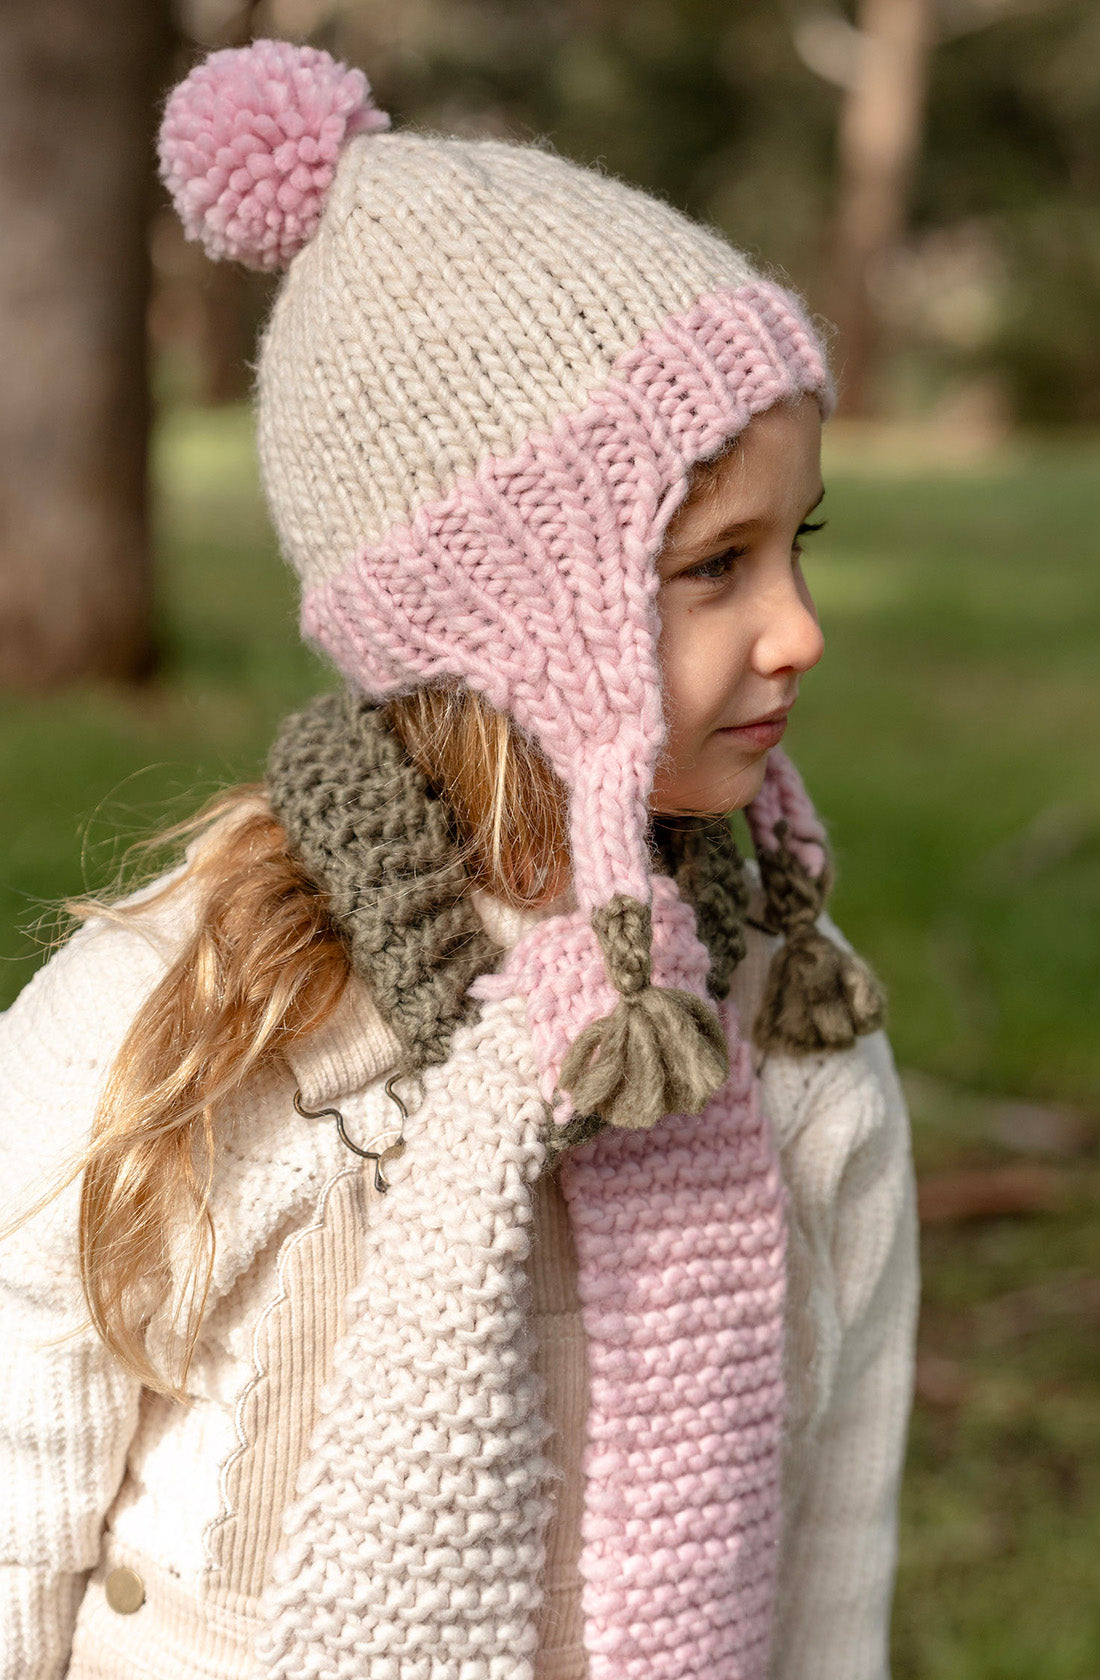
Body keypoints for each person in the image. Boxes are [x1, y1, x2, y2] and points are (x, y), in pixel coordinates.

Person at [0, 38, 919, 1680]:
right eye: (716, 566)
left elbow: (832, 1545)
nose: (801, 630)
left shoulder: (783, 1028)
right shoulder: (177, 1022)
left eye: (803, 542)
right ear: (500, 618)